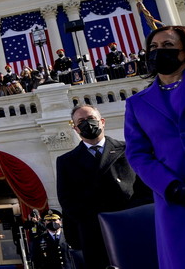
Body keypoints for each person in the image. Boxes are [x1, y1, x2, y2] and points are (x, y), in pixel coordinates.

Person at [124, 25, 185, 268]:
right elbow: (138, 154)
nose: (158, 52)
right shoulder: (137, 103)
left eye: (167, 46)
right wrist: (173, 188)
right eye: (153, 47)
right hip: (177, 205)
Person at [55, 104, 151, 269]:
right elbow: (67, 201)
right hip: (94, 234)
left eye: (91, 118)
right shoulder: (66, 161)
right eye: (82, 121)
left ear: (102, 121)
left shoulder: (128, 150)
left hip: (132, 227)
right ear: (76, 129)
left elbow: (145, 191)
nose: (88, 123)